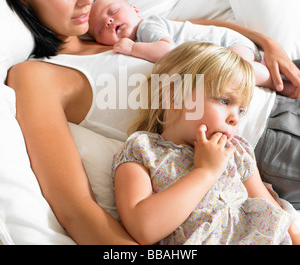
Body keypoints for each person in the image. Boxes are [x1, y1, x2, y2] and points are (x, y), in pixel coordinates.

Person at [0, 0, 299, 245]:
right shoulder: (38, 77)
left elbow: (190, 27)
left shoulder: (107, 29)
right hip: (263, 140)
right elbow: (75, 208)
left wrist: (265, 43)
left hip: (277, 81)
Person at [112, 41, 300, 245]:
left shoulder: (235, 151)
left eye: (241, 110)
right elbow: (143, 229)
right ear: (176, 95)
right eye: (225, 101)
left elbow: (275, 215)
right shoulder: (142, 150)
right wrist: (206, 172)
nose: (235, 118)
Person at [88, 0, 296, 96]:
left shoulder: (148, 27)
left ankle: (278, 82)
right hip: (225, 47)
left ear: (135, 9)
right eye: (99, 29)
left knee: (232, 70)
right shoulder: (145, 35)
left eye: (113, 11)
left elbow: (166, 52)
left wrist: (131, 48)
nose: (108, 21)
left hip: (229, 43)